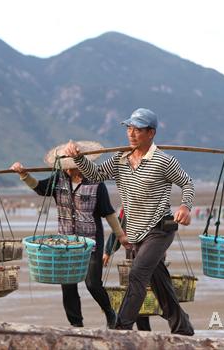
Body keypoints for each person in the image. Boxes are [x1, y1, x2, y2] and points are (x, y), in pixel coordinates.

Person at [64, 107, 195, 335]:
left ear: (151, 133)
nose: (131, 133)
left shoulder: (164, 161)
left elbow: (187, 183)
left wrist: (185, 206)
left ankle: (121, 327)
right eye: (129, 128)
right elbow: (95, 175)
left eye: (137, 129)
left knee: (137, 274)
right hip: (135, 232)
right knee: (158, 281)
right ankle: (182, 326)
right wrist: (78, 158)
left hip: (159, 229)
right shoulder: (120, 159)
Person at [10, 140, 130, 329]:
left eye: (71, 167)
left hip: (91, 242)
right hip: (65, 243)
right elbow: (41, 188)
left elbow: (108, 213)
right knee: (67, 284)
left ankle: (109, 312)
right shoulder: (58, 179)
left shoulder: (96, 183)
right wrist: (24, 174)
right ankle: (76, 324)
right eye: (65, 167)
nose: (68, 170)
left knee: (92, 283)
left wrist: (121, 236)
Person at [103, 208, 152, 331]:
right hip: (133, 255)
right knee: (138, 293)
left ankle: (178, 321)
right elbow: (117, 229)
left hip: (150, 255)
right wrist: (108, 252)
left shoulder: (152, 203)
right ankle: (143, 330)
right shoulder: (126, 208)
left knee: (143, 293)